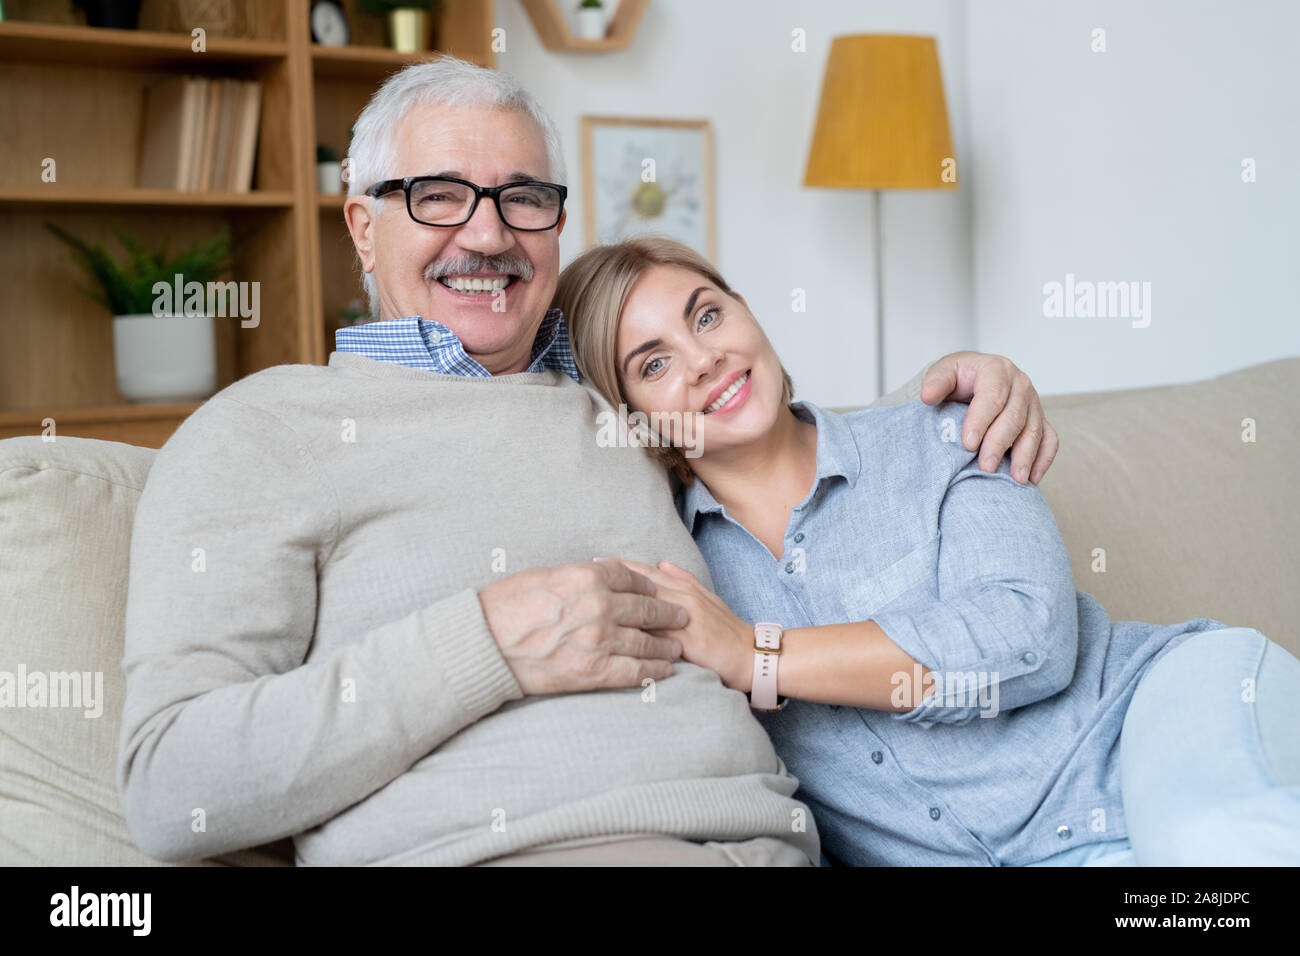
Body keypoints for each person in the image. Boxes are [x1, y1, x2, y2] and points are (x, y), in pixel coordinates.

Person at [117, 56, 1059, 867]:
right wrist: (483, 643)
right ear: (364, 226)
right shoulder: (267, 429)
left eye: (522, 198)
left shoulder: (618, 404)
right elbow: (169, 784)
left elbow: (777, 447)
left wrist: (956, 399)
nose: (487, 235)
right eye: (439, 196)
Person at [555, 234, 1300, 867]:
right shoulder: (685, 574)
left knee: (1222, 851)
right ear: (632, 419)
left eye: (708, 315)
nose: (704, 358)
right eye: (653, 364)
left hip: (1157, 716)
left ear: (749, 314)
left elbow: (1029, 637)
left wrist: (760, 657)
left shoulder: (947, 432)